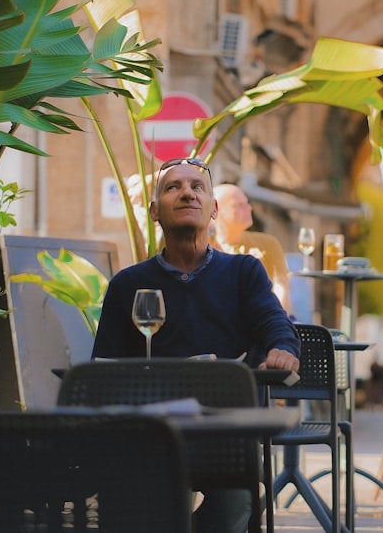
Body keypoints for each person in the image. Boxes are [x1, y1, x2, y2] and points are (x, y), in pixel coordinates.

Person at [92, 156, 300, 533]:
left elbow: (275, 322)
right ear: (155, 211)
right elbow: (103, 364)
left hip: (226, 428)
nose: (186, 192)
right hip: (151, 431)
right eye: (173, 187)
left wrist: (282, 348)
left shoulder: (243, 272)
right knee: (133, 502)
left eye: (196, 187)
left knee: (236, 501)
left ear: (213, 209)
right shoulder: (127, 283)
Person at [212, 183, 292, 314]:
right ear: (216, 211)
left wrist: (278, 323)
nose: (249, 208)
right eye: (238, 205)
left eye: (247, 202)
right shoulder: (206, 247)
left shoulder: (268, 243)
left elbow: (281, 288)